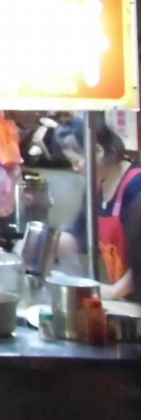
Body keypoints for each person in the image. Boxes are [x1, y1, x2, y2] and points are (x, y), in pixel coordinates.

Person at [55, 117, 141, 299]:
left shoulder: (136, 187)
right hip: (127, 300)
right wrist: (45, 244)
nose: (75, 168)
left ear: (98, 151)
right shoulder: (96, 188)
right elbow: (79, 236)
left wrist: (114, 291)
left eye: (76, 161)